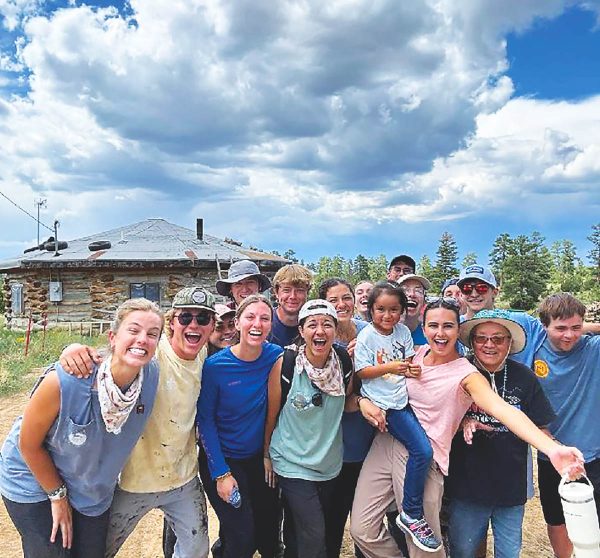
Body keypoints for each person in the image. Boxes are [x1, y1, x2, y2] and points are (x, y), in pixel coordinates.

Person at [349, 298, 585, 558]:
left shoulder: (466, 373)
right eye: (433, 325)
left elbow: (501, 409)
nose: (440, 333)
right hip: (387, 443)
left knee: (423, 547)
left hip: (426, 456)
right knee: (362, 530)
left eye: (448, 326)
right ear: (424, 328)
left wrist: (551, 449)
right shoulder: (412, 356)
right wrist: (362, 399)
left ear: (457, 330)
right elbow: (373, 382)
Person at [59, 287, 215, 558]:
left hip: (183, 479)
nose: (194, 325)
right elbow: (111, 360)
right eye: (185, 317)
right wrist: (72, 350)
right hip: (132, 481)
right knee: (97, 550)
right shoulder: (150, 353)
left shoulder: (204, 355)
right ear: (172, 322)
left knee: (196, 549)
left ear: (211, 326)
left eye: (203, 319)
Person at [0, 298, 163, 558]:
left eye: (152, 334)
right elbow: (28, 445)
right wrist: (57, 496)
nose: (142, 339)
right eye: (133, 330)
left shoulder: (151, 375)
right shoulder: (66, 381)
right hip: (32, 479)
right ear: (112, 337)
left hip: (89, 487)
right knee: (53, 552)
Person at [447, 309, 556, 558]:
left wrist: (558, 453)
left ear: (509, 343)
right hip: (466, 488)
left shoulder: (525, 377)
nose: (489, 345)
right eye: (481, 338)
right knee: (462, 550)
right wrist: (464, 418)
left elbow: (541, 426)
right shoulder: (455, 374)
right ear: (472, 342)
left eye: (498, 339)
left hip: (511, 487)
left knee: (509, 552)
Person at [264, 299, 358, 558]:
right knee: (314, 534)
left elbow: (346, 401)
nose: (320, 331)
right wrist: (266, 455)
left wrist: (364, 403)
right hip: (291, 460)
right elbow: (272, 415)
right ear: (302, 331)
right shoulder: (286, 364)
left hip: (328, 463)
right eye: (312, 325)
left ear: (335, 330)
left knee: (300, 530)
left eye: (327, 325)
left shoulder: (343, 363)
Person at [355, 281, 440, 552]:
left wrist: (411, 370)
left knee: (420, 450)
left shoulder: (402, 332)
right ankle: (411, 512)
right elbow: (361, 372)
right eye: (380, 309)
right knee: (422, 451)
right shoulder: (367, 336)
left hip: (402, 399)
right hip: (385, 405)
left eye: (394, 309)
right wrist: (390, 366)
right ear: (370, 310)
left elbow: (410, 363)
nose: (387, 315)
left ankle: (409, 511)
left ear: (402, 311)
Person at [197, 294, 283, 558]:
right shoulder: (215, 366)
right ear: (237, 323)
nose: (257, 324)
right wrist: (221, 473)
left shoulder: (276, 356)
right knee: (241, 537)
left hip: (260, 459)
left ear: (271, 325)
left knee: (269, 534)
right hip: (225, 459)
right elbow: (205, 421)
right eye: (250, 317)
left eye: (265, 318)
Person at [534, 293, 600, 558]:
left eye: (576, 327)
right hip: (551, 452)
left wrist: (589, 329)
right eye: (560, 328)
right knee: (557, 520)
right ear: (545, 326)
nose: (569, 336)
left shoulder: (593, 349)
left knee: (593, 519)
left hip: (593, 453)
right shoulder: (533, 349)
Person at [318, 278, 374, 558]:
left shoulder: (370, 332)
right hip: (333, 444)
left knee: (366, 522)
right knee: (334, 517)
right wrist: (345, 360)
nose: (341, 305)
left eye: (346, 297)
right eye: (333, 300)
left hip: (367, 440)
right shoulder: (319, 336)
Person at [270, 264, 312, 348]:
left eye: (299, 290)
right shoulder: (264, 323)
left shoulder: (314, 326)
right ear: (276, 292)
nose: (293, 296)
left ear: (307, 293)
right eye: (286, 290)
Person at [397, 274, 430, 347]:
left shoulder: (430, 334)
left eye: (418, 291)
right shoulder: (380, 332)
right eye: (405, 290)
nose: (412, 294)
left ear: (424, 301)